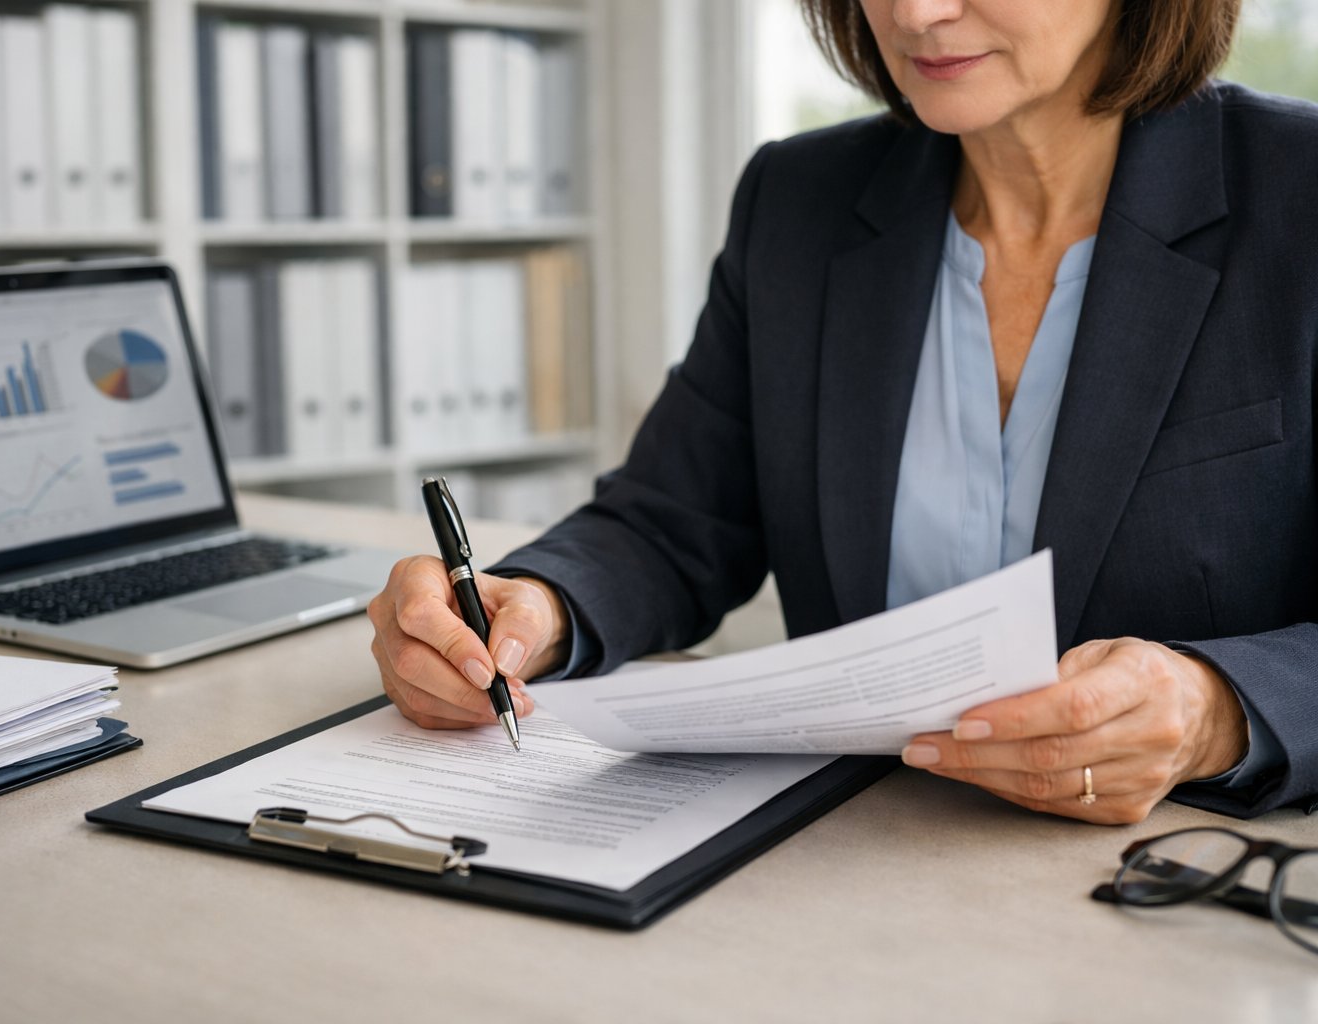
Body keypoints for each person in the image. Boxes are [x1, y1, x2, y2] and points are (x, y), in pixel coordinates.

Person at [370, 0, 1318, 824]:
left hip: (1172, 895)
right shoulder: (799, 202)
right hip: (840, 881)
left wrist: (1219, 712)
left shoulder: (1299, 196)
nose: (915, 14)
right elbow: (672, 521)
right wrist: (528, 608)